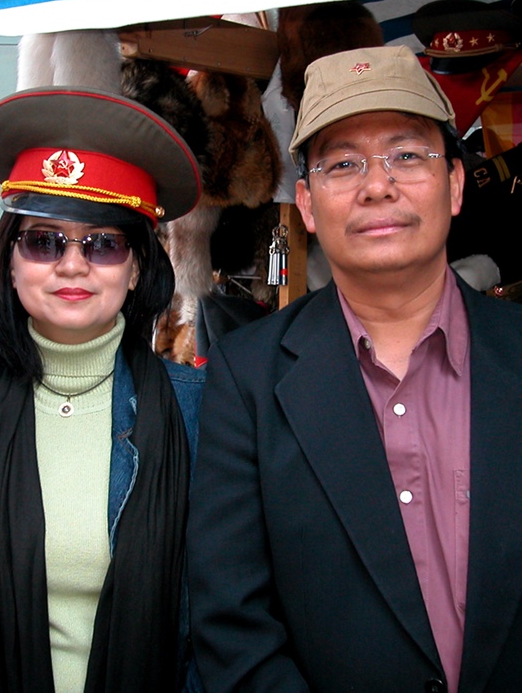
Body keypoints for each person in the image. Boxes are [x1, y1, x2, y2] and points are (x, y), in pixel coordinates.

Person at [187, 45, 522, 693]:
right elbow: (233, 622)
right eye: (344, 164)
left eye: (406, 154)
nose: (377, 184)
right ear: (308, 205)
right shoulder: (249, 378)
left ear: (455, 184)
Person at [0, 86, 205, 693]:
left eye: (103, 243)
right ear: (10, 263)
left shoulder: (202, 410)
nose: (71, 264)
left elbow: (217, 625)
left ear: (137, 267)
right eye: (44, 240)